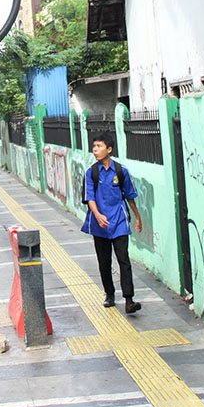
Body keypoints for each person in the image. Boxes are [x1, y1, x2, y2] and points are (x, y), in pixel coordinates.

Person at [81, 134, 143, 313]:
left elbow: (129, 196)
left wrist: (138, 217)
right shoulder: (91, 172)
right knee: (104, 261)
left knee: (124, 259)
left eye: (99, 146)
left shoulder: (121, 171)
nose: (95, 150)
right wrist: (98, 215)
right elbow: (89, 197)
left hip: (119, 221)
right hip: (99, 225)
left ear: (109, 149)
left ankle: (129, 300)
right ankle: (109, 294)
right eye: (94, 146)